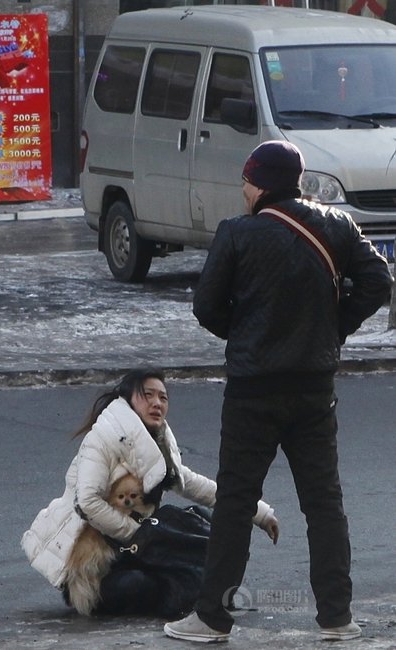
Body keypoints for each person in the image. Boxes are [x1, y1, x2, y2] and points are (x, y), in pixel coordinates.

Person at [164, 141, 394, 643]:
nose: (242, 189)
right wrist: (334, 328)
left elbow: (206, 307)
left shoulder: (238, 233)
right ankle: (337, 617)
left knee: (235, 502)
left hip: (253, 389)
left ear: (262, 183)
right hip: (314, 386)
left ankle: (211, 619)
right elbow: (378, 281)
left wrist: (245, 334)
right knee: (324, 502)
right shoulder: (336, 224)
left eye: (246, 180)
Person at [21, 368, 279, 617]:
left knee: (202, 520)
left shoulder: (157, 438)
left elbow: (190, 483)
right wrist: (139, 535)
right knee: (139, 584)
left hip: (130, 552)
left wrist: (259, 512)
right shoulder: (103, 438)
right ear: (128, 400)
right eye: (147, 395)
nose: (157, 403)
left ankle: (208, 597)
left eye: (163, 397)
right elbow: (87, 502)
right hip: (94, 571)